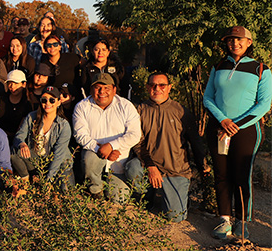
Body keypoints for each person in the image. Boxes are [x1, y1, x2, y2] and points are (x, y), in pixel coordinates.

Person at [203, 26, 272, 239]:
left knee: (242, 175)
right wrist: (223, 120)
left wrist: (236, 125)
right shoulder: (218, 66)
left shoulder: (261, 69)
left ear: (249, 42)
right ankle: (224, 220)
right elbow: (208, 98)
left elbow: (264, 104)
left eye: (239, 40)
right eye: (231, 40)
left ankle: (242, 222)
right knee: (222, 174)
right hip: (219, 128)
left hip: (246, 131)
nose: (235, 43)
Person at [132, 72, 207, 222]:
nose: (157, 88)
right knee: (132, 168)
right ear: (147, 87)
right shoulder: (139, 110)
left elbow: (195, 140)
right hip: (149, 165)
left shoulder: (181, 111)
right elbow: (137, 142)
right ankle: (148, 196)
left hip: (175, 169)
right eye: (153, 85)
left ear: (169, 88)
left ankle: (178, 197)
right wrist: (151, 166)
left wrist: (203, 165)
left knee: (175, 217)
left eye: (162, 85)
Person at [73, 73, 141, 202]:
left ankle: (117, 186)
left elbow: (134, 134)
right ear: (91, 89)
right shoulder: (82, 106)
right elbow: (80, 135)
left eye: (106, 88)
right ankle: (95, 189)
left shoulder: (126, 106)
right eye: (98, 88)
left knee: (119, 200)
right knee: (89, 157)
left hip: (118, 160)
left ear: (114, 90)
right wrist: (101, 149)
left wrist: (111, 146)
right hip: (95, 157)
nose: (102, 92)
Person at [11, 85, 73, 185]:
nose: (48, 103)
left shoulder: (63, 125)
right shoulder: (31, 117)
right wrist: (22, 143)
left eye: (52, 100)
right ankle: (26, 180)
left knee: (66, 193)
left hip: (59, 163)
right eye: (44, 100)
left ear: (58, 102)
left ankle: (41, 180)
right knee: (15, 152)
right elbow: (19, 136)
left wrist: (49, 180)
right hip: (37, 159)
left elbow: (58, 155)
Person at [39, 33, 83, 114]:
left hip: (74, 100)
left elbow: (84, 64)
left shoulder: (71, 58)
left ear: (60, 47)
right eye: (49, 45)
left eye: (55, 44)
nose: (52, 47)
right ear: (45, 48)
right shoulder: (43, 64)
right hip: (54, 103)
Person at [0, 70, 32, 138]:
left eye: (16, 83)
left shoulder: (27, 104)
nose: (12, 86)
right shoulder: (1, 99)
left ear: (23, 84)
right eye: (9, 83)